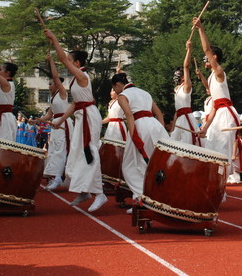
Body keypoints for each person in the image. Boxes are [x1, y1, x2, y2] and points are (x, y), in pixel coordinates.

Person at [45, 29, 107, 213]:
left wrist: (55, 38)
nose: (67, 63)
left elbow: (62, 58)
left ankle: (99, 193)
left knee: (89, 153)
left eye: (71, 61)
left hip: (89, 117)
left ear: (77, 63)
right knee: (77, 154)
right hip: (82, 116)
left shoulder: (82, 76)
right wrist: (61, 120)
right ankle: (85, 190)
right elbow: (74, 104)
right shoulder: (75, 80)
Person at [111, 72, 168, 212]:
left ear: (118, 85)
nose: (115, 91)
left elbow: (129, 115)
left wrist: (133, 135)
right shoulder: (145, 93)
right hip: (155, 126)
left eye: (114, 88)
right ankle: (157, 197)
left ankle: (142, 199)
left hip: (140, 127)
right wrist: (160, 129)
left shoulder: (123, 96)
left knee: (129, 165)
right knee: (155, 162)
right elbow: (159, 114)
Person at [193, 17, 240, 179]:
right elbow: (213, 107)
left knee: (223, 151)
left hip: (226, 113)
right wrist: (205, 127)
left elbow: (206, 49)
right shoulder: (212, 78)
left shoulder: (219, 72)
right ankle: (214, 184)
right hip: (219, 113)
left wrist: (200, 28)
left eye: (208, 56)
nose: (205, 58)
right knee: (212, 147)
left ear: (215, 58)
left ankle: (221, 186)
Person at [35, 54, 73, 191]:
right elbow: (49, 115)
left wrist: (51, 61)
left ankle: (58, 176)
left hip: (63, 123)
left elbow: (56, 76)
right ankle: (54, 176)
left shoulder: (62, 93)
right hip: (56, 123)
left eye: (51, 83)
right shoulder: (53, 99)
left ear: (57, 84)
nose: (49, 86)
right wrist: (37, 120)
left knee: (61, 150)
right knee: (53, 150)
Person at [170, 40, 201, 147]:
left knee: (188, 145)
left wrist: (189, 50)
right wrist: (173, 128)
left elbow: (186, 66)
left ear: (184, 77)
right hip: (179, 119)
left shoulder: (186, 87)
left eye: (179, 74)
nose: (176, 76)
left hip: (187, 119)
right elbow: (176, 112)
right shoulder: (176, 89)